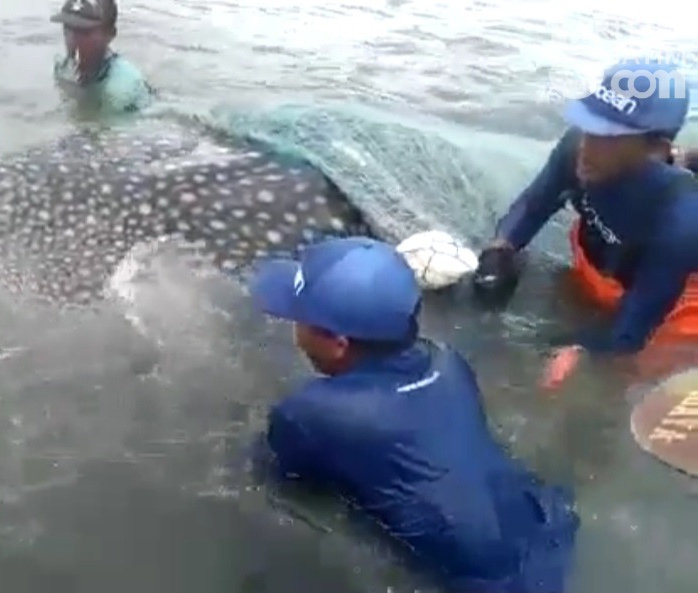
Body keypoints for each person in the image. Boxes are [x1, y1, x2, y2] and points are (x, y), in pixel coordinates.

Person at [250, 236, 579, 593]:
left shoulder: (307, 414)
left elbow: (283, 488)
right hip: (545, 527)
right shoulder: (448, 361)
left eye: (299, 317)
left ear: (338, 343)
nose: (293, 327)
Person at [472, 61, 698, 389]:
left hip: (675, 298)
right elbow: (534, 204)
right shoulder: (578, 147)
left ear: (655, 151)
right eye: (591, 124)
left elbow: (632, 331)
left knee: (627, 378)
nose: (586, 147)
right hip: (600, 258)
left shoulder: (683, 221)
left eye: (610, 137)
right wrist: (501, 248)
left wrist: (584, 351)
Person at [50, 0, 155, 115]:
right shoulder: (62, 69)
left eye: (85, 32)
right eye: (68, 28)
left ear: (110, 34)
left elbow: (105, 130)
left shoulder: (119, 91)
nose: (73, 40)